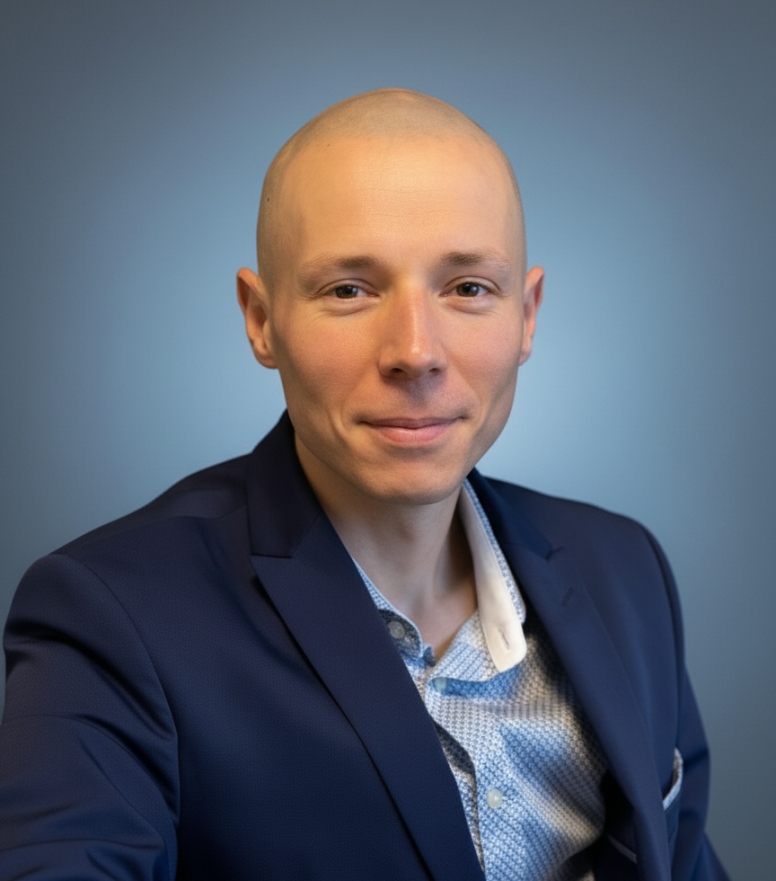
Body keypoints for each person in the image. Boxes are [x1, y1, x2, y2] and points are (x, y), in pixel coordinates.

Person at [0, 89, 728, 881]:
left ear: (527, 315)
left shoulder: (625, 570)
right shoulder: (110, 614)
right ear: (261, 318)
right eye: (350, 289)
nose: (415, 351)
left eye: (468, 288)